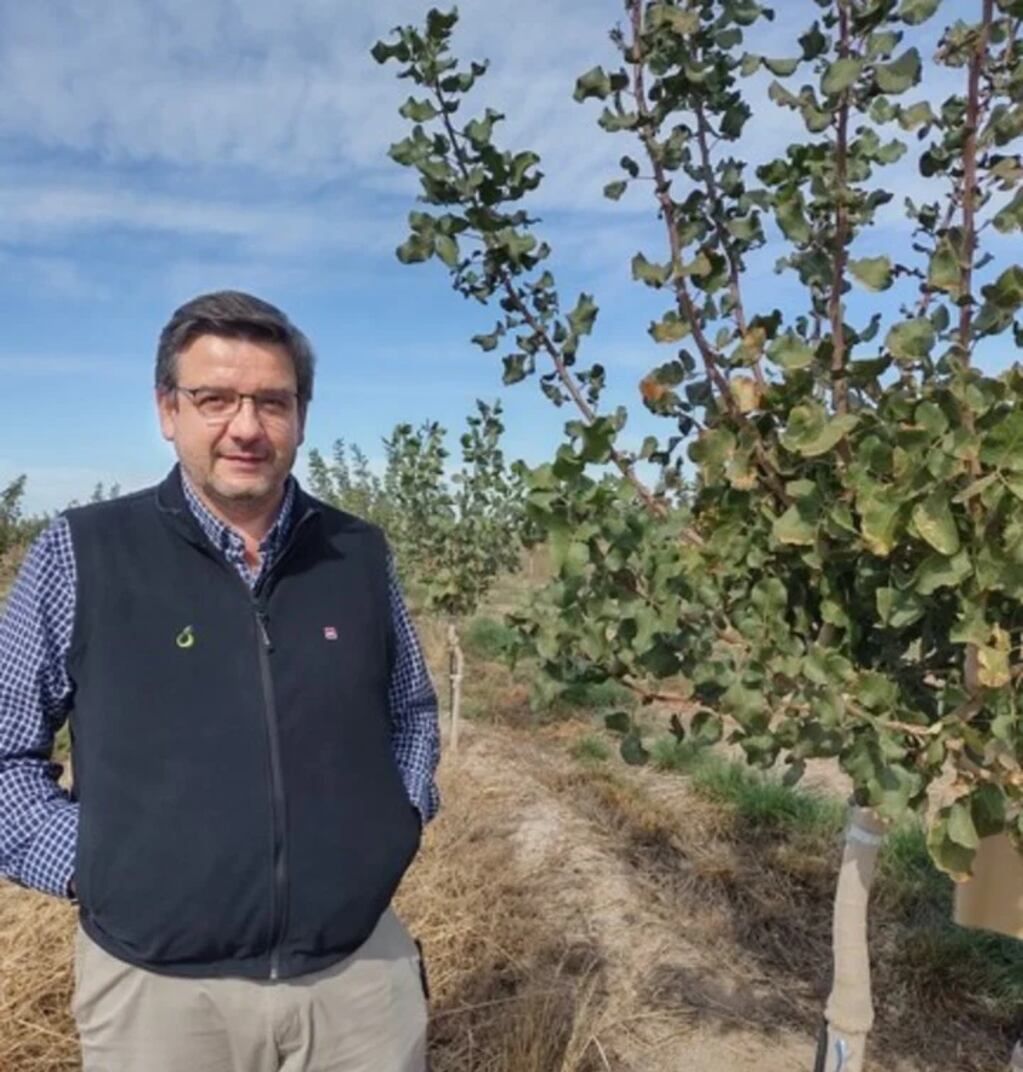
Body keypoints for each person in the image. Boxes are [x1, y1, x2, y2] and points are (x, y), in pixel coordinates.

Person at [0, 290, 441, 1072]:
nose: (246, 426)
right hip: (158, 998)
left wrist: (396, 821)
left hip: (357, 982)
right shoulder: (84, 551)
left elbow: (408, 709)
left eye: (272, 401)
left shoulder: (357, 552)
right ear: (168, 410)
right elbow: (5, 751)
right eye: (214, 399)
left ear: (301, 415)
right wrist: (93, 866)